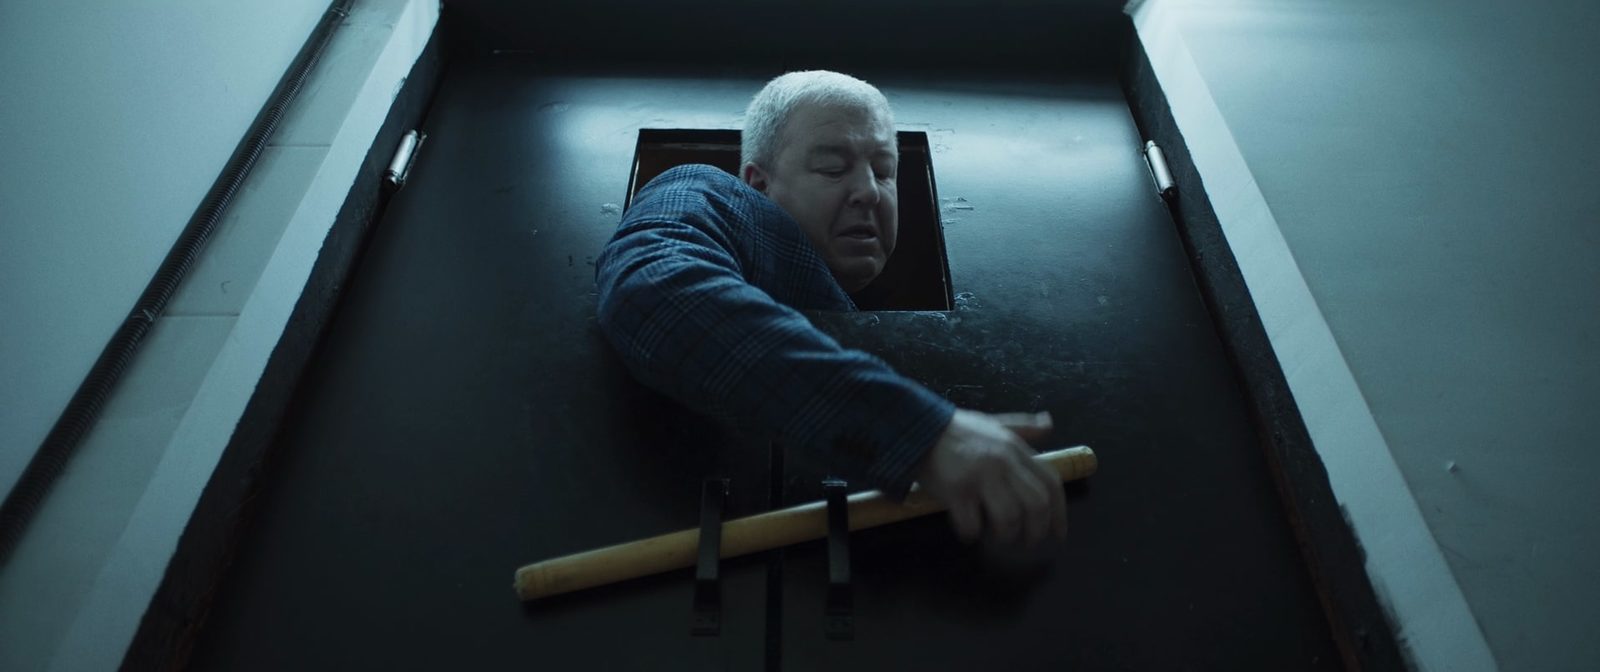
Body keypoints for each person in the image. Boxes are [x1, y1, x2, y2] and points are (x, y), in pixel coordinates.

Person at [595, 71, 1065, 547]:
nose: (870, 191)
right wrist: (919, 435)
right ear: (758, 184)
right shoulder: (706, 192)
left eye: (883, 170)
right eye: (833, 168)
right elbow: (652, 290)